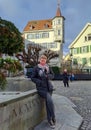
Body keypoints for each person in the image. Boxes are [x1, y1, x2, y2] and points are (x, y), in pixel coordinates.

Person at [31, 55, 56, 129]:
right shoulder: (36, 68)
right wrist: (39, 82)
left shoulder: (48, 67)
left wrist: (48, 76)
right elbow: (32, 77)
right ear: (39, 60)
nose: (43, 60)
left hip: (49, 88)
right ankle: (53, 117)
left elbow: (53, 75)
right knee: (50, 101)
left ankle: (50, 120)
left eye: (44, 59)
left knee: (48, 103)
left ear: (46, 60)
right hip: (41, 89)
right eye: (42, 59)